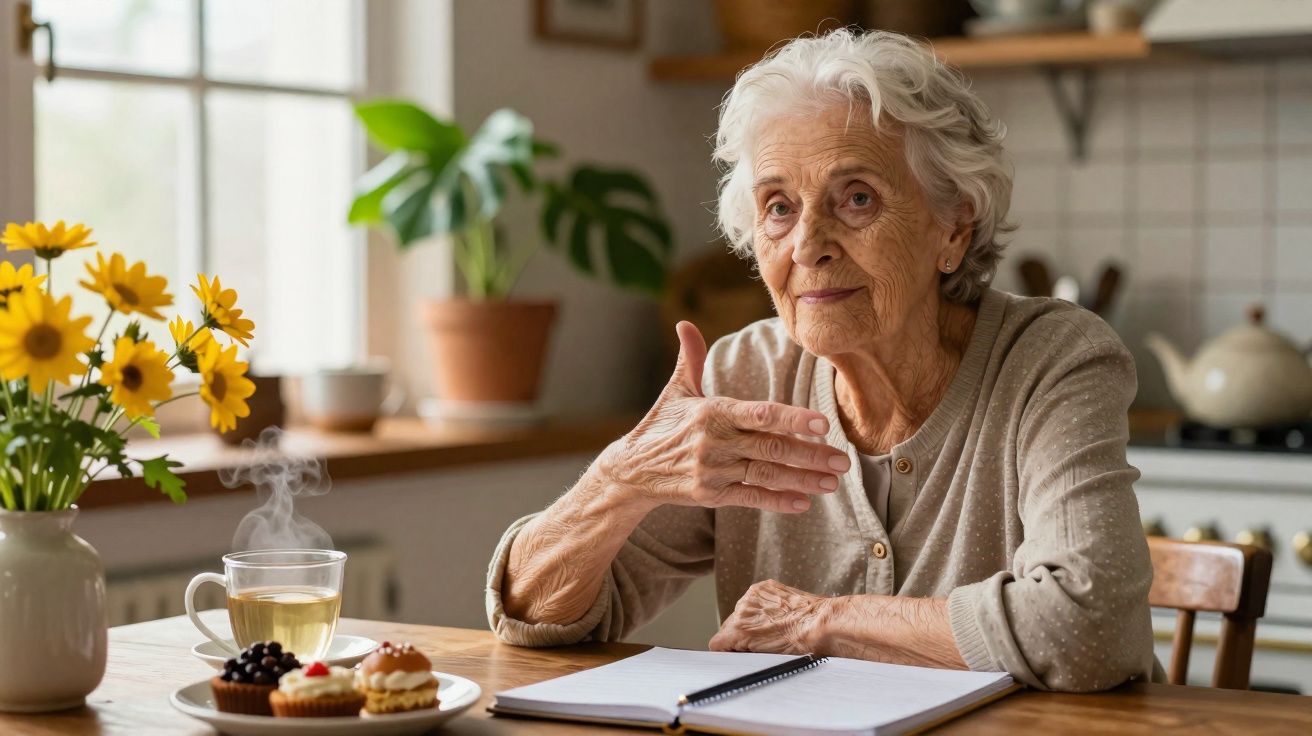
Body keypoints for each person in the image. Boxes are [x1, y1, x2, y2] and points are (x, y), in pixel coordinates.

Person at [485, 29, 1158, 692]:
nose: (808, 244)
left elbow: (1087, 628)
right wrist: (620, 480)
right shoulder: (745, 376)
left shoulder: (1052, 361)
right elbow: (538, 615)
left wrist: (823, 623)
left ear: (953, 227)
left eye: (856, 198)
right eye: (778, 207)